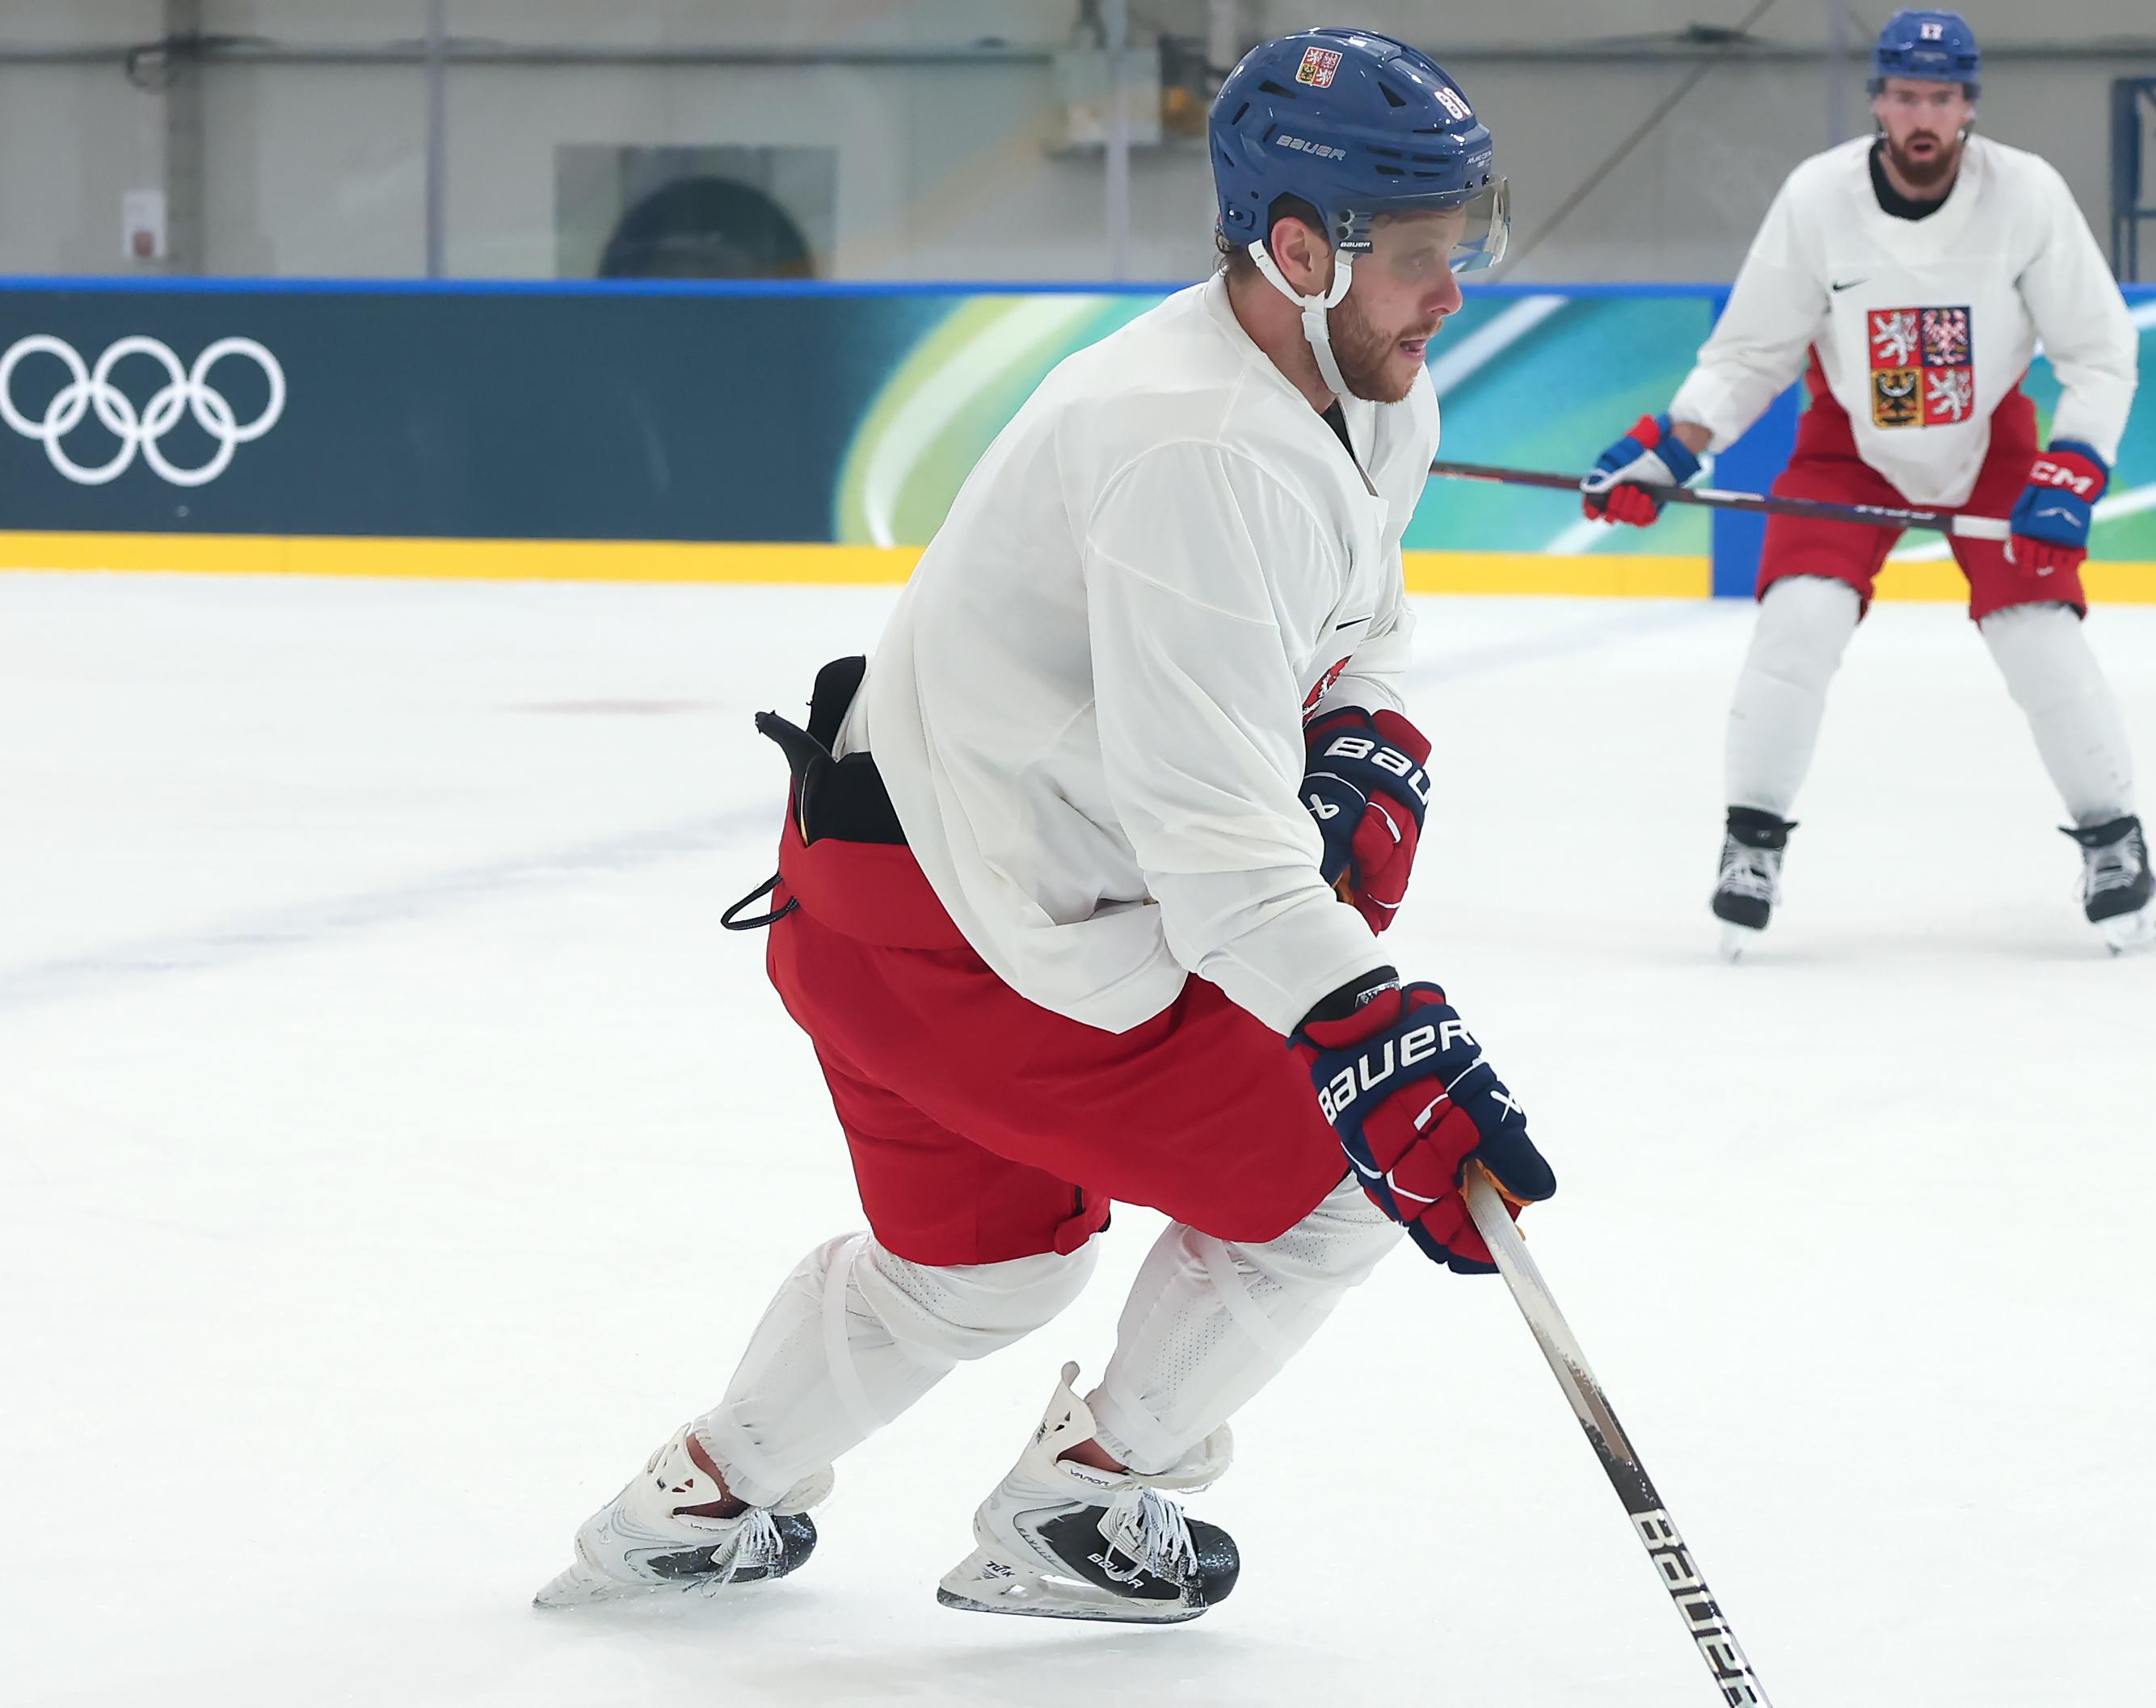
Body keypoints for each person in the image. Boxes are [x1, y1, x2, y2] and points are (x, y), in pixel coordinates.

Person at [535, 28, 1549, 1625]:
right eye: (1421, 257)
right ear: (1297, 251)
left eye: (1461, 248)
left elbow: (1361, 623)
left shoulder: (1351, 381)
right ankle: (1084, 1504)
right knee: (1344, 1176)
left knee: (979, 1267)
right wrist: (1370, 1025)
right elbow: (1220, 856)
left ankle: (693, 1501)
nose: (1452, 293)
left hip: (871, 895)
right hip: (988, 940)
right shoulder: (1198, 451)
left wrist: (1362, 735)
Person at [1579, 7, 2156, 956]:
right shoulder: (1816, 198)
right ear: (1878, 102)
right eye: (1904, 96)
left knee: (2038, 634)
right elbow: (1751, 352)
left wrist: (2076, 466)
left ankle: (2113, 843)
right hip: (1850, 439)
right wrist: (1672, 449)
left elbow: (2100, 351)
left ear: (1969, 106)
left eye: (1941, 97)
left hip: (1994, 440)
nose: (1922, 115)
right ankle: (1750, 844)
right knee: (1795, 625)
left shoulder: (2029, 195)